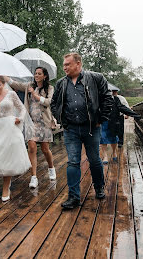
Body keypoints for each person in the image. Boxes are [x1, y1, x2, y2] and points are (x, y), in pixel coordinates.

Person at [51, 52, 113, 210]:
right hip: (71, 129)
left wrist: (101, 119)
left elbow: (107, 98)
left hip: (91, 127)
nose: (64, 67)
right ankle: (74, 197)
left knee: (94, 160)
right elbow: (54, 103)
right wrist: (61, 120)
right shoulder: (61, 83)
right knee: (72, 161)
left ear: (78, 64)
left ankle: (99, 186)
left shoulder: (96, 78)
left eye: (68, 64)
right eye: (64, 65)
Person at [5, 67, 56, 189]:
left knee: (45, 149)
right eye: (35, 73)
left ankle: (51, 168)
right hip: (31, 122)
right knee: (32, 147)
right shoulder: (29, 85)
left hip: (44, 122)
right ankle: (33, 177)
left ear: (44, 76)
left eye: (39, 74)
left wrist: (35, 94)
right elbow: (14, 83)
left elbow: (48, 102)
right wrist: (3, 76)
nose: (36, 75)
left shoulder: (50, 88)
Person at [100, 89, 140, 163]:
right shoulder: (99, 98)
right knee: (103, 137)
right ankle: (105, 156)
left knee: (113, 137)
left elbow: (122, 107)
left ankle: (114, 152)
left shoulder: (116, 99)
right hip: (103, 120)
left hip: (113, 120)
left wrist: (134, 114)